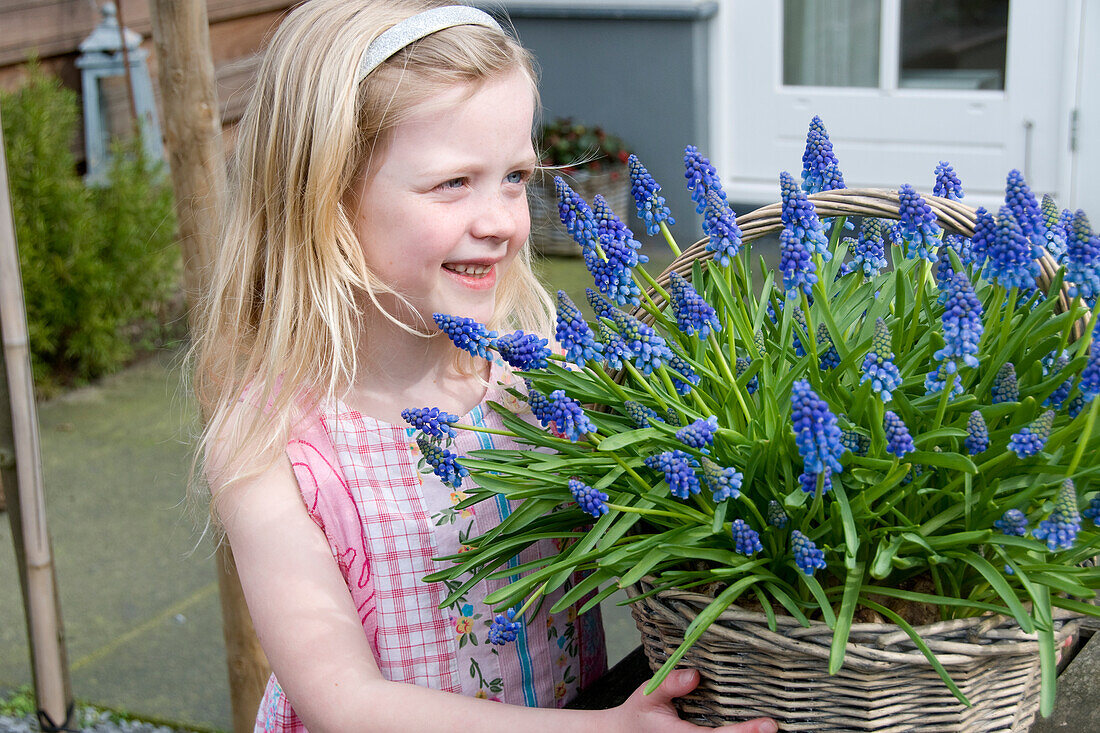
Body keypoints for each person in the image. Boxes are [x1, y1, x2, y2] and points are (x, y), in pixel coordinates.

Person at [192, 1, 779, 731]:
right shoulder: (271, 447)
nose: (503, 218)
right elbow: (343, 701)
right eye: (453, 183)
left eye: (513, 177)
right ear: (326, 200)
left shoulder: (541, 380)